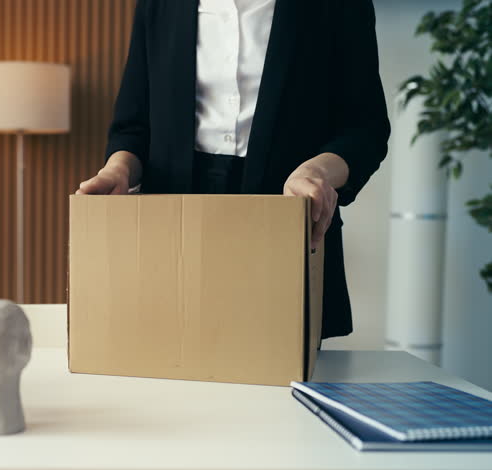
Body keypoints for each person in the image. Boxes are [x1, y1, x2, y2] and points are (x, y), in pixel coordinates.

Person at [75, 0, 390, 340]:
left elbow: (365, 130)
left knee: (276, 372)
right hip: (173, 217)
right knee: (168, 361)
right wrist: (118, 168)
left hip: (285, 211)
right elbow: (133, 127)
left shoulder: (341, 6)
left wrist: (317, 172)